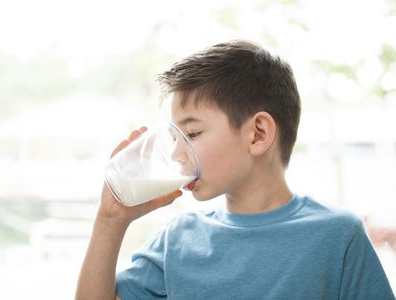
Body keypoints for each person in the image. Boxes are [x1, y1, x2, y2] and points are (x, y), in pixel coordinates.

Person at [75, 40, 395, 300]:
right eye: (175, 136)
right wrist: (110, 221)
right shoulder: (178, 241)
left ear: (257, 134)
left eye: (193, 134)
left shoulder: (337, 236)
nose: (175, 152)